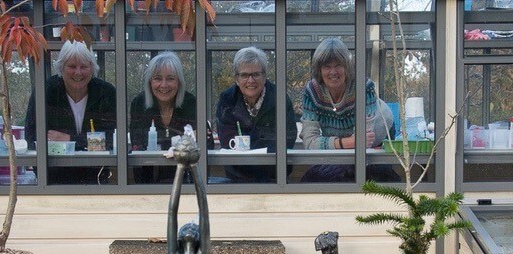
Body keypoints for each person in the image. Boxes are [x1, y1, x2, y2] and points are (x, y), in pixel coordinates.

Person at [299, 38, 399, 182]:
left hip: (380, 136)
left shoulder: (364, 86)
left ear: (347, 66)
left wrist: (343, 143)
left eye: (338, 65)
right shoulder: (312, 91)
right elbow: (309, 143)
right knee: (312, 178)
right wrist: (346, 143)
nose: (333, 72)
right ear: (319, 70)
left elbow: (365, 141)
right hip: (346, 143)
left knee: (375, 175)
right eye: (327, 66)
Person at [25, 40, 116, 185]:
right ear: (61, 67)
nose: (78, 72)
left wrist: (70, 139)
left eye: (84, 66)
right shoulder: (45, 91)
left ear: (92, 68)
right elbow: (32, 138)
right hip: (54, 180)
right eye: (72, 66)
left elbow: (112, 139)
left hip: (97, 178)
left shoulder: (106, 93)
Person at [216, 46, 297, 183]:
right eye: (244, 75)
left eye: (256, 74)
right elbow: (227, 141)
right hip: (237, 177)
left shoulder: (280, 97)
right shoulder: (227, 99)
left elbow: (287, 138)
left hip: (275, 177)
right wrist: (262, 141)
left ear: (264, 76)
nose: (251, 80)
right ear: (236, 78)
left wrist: (247, 143)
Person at [129, 51, 213, 184]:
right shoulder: (139, 103)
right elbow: (138, 144)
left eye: (170, 78)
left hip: (187, 181)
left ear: (179, 82)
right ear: (150, 82)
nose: (164, 85)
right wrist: (181, 141)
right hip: (147, 182)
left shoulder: (191, 103)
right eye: (157, 78)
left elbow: (207, 142)